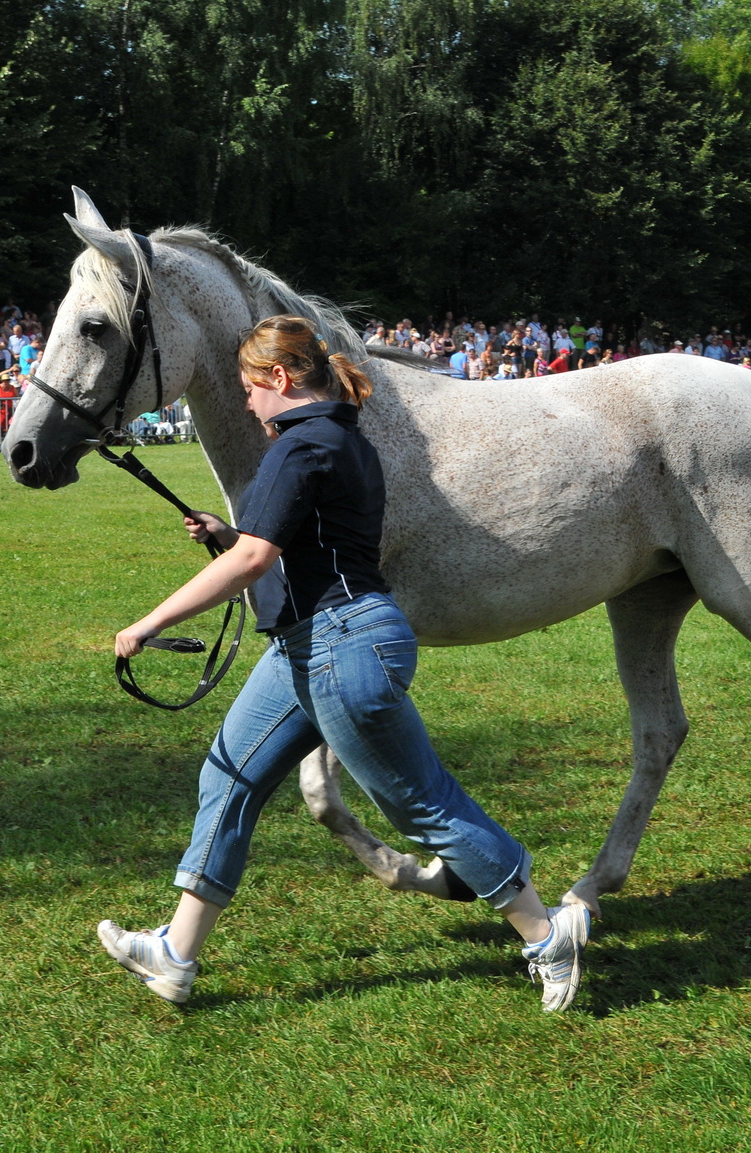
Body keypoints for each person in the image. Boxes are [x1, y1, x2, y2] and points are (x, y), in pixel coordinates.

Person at [99, 315, 589, 1012]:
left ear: (279, 378)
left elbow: (255, 560)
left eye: (247, 387)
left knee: (420, 803)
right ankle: (176, 953)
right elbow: (288, 544)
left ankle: (546, 933)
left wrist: (148, 623)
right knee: (231, 771)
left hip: (340, 646)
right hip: (313, 642)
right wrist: (227, 530)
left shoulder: (300, 448)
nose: (243, 402)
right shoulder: (340, 440)